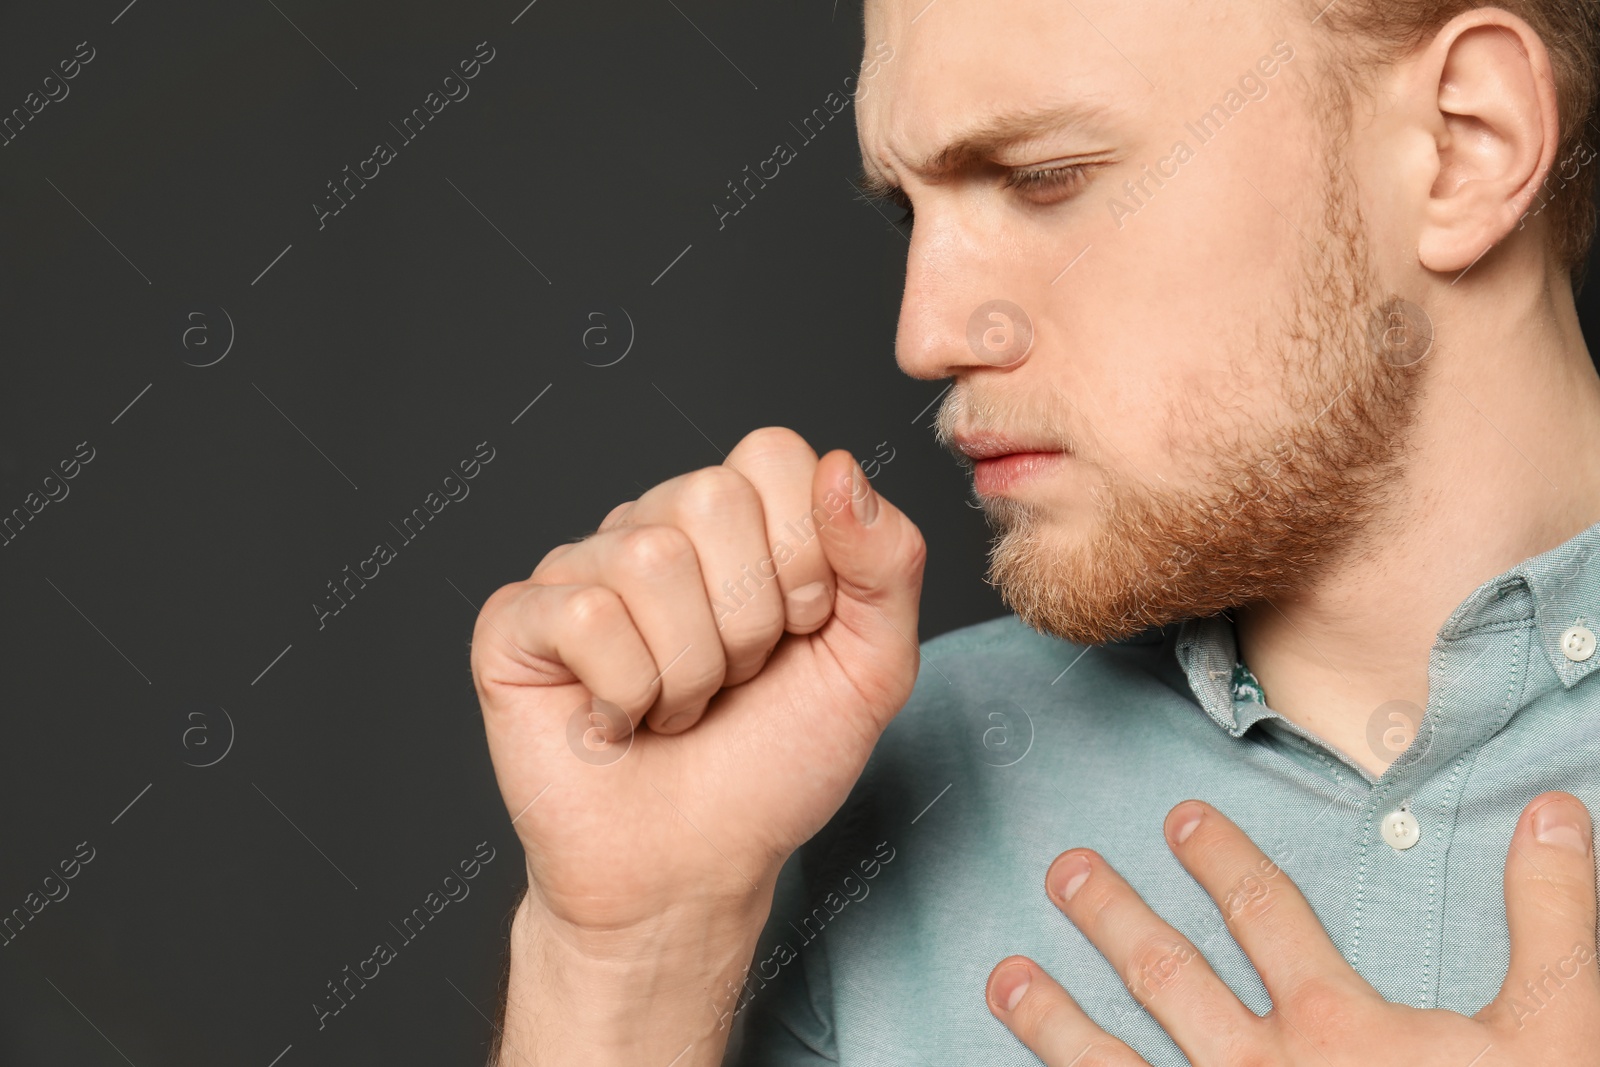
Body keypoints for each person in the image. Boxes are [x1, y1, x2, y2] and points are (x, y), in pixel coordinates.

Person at [468, 0, 1600, 1063]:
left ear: (1464, 144)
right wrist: (626, 961)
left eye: (1041, 177)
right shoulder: (841, 791)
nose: (925, 332)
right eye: (913, 212)